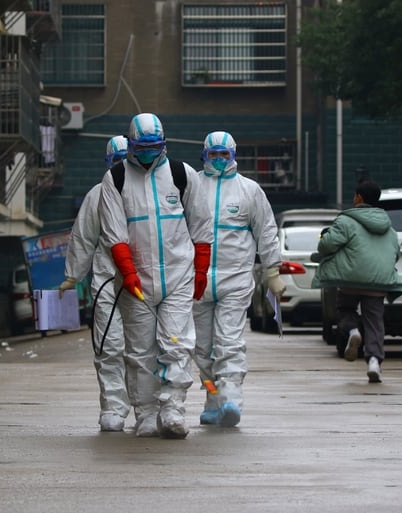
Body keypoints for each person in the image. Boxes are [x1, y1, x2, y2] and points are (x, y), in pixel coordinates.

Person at [98, 113, 213, 439]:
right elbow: (114, 233)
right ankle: (146, 413)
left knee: (176, 343)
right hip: (136, 280)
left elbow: (201, 226)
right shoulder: (116, 178)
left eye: (155, 146)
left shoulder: (181, 174)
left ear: (164, 144)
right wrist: (128, 272)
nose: (148, 152)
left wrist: (201, 269)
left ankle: (173, 408)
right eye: (142, 147)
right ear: (131, 144)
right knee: (139, 350)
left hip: (178, 275)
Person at [192, 130, 285, 427]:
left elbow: (266, 231)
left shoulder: (249, 190)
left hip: (235, 279)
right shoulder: (192, 186)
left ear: (233, 155)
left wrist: (272, 271)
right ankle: (212, 398)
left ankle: (231, 399)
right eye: (213, 155)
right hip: (197, 280)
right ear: (204, 155)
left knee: (229, 342)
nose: (218, 160)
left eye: (224, 155)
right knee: (201, 351)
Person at [57, 135, 130, 432]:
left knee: (147, 349)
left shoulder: (154, 192)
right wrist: (73, 274)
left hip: (148, 283)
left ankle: (148, 406)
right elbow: (84, 237)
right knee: (109, 345)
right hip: (107, 282)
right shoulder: (97, 196)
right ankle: (113, 405)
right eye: (117, 162)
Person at [311, 180, 402, 383]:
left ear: (359, 197)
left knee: (345, 310)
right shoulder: (389, 228)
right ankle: (374, 362)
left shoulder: (346, 221)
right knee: (375, 322)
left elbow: (326, 246)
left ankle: (353, 331)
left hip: (350, 280)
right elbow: (395, 254)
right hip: (379, 282)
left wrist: (326, 238)